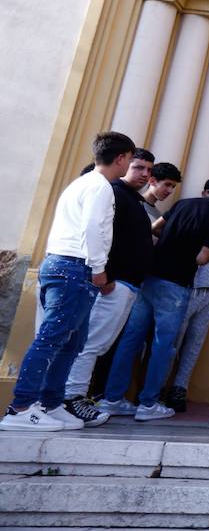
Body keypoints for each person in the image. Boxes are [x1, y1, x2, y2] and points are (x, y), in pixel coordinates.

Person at [1, 132, 132, 432]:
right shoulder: (100, 187)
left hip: (60, 264)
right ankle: (21, 407)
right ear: (122, 157)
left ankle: (51, 403)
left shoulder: (81, 183)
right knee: (51, 339)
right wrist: (99, 268)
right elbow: (92, 228)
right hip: (75, 268)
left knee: (72, 341)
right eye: (130, 158)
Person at [99, 171, 209, 421]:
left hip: (150, 276)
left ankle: (112, 399)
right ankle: (148, 403)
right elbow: (201, 258)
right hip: (176, 283)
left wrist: (172, 243)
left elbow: (155, 228)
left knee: (131, 340)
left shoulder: (184, 203)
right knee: (163, 345)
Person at [60, 147, 156, 426]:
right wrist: (104, 275)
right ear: (122, 163)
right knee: (89, 344)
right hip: (109, 283)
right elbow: (98, 233)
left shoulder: (133, 199)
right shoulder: (111, 192)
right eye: (138, 167)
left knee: (98, 345)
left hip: (127, 285)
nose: (145, 174)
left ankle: (75, 396)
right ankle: (71, 398)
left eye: (149, 170)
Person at [163, 176, 209, 413]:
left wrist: (207, 248)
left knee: (194, 343)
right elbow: (174, 238)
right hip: (184, 283)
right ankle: (157, 389)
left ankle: (179, 389)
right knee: (171, 340)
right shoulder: (189, 209)